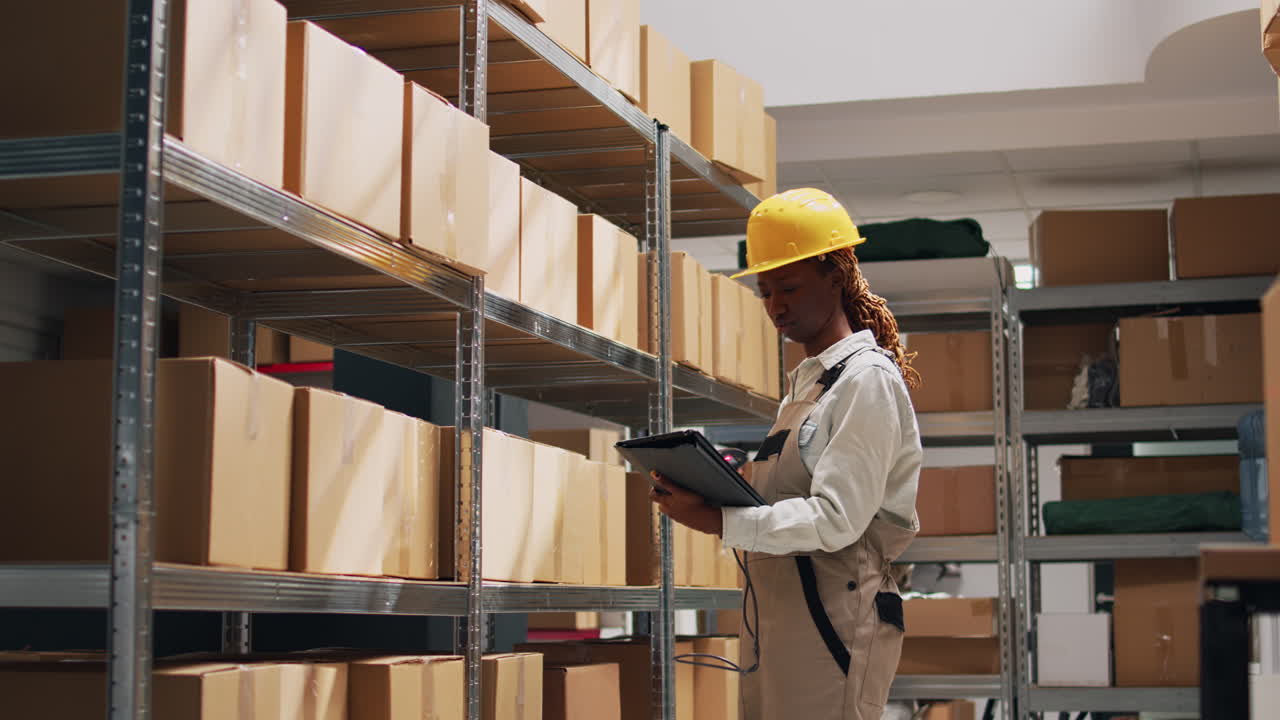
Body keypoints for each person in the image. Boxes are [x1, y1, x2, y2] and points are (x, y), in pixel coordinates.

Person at [651, 188, 923, 720]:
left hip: (835, 622)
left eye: (790, 288)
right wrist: (724, 480)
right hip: (780, 619)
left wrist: (719, 519)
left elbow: (837, 517)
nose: (776, 305)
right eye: (765, 290)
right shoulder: (807, 387)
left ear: (836, 279)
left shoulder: (865, 381)